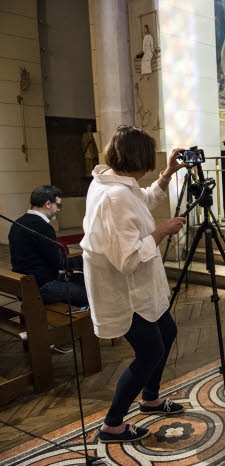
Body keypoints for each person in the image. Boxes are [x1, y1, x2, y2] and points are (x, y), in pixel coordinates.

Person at [81, 126, 189, 443]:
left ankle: (150, 398)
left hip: (141, 289)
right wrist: (161, 231)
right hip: (125, 294)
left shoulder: (116, 185)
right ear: (137, 159)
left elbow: (144, 198)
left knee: (167, 331)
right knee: (150, 351)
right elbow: (127, 260)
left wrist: (168, 174)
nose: (150, 167)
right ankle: (112, 425)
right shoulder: (113, 197)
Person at [9, 185, 88, 307]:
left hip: (26, 284)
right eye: (58, 205)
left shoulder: (18, 223)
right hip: (42, 286)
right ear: (48, 204)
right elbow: (59, 263)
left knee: (82, 280)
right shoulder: (42, 227)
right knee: (91, 293)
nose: (58, 210)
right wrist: (85, 259)